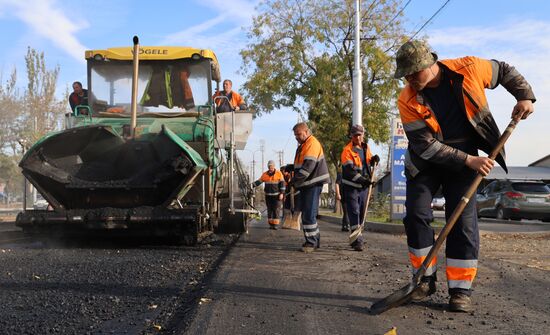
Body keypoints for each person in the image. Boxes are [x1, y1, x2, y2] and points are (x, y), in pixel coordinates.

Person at [394, 40, 535, 312]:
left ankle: (460, 290)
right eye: (406, 74)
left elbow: (503, 70)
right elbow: (425, 145)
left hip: (466, 154)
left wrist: (524, 95)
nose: (410, 78)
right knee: (415, 213)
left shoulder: (468, 68)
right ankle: (424, 280)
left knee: (462, 220)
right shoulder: (407, 98)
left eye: (414, 72)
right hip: (426, 159)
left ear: (429, 63)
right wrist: (469, 160)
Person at [290, 122, 330, 252]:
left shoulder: (311, 143)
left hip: (312, 183)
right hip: (308, 184)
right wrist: (291, 167)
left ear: (306, 132)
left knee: (308, 214)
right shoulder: (304, 145)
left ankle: (311, 243)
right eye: (295, 135)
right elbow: (302, 165)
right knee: (309, 213)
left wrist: (294, 181)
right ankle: (314, 240)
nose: (297, 137)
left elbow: (308, 167)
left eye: (298, 134)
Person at [340, 124, 379, 251]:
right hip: (352, 188)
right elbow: (350, 172)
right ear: (351, 135)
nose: (358, 137)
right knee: (354, 212)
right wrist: (364, 181)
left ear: (363, 135)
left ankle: (356, 236)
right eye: (355, 135)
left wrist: (373, 160)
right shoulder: (347, 151)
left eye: (360, 134)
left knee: (361, 213)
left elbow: (368, 163)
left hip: (363, 188)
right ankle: (357, 241)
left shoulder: (365, 147)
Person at [252, 160, 285, 229]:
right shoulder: (265, 174)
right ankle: (271, 224)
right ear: (268, 166)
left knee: (276, 210)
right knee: (269, 210)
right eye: (269, 166)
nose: (271, 167)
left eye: (272, 166)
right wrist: (252, 185)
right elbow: (259, 181)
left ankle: (275, 224)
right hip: (268, 196)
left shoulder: (279, 174)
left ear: (274, 166)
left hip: (277, 196)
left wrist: (281, 193)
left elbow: (282, 184)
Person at [334, 166, 350, 231]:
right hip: (343, 195)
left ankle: (344, 226)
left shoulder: (350, 174)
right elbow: (337, 184)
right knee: (346, 211)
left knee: (346, 211)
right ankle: (347, 225)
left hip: (349, 195)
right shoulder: (341, 174)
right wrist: (338, 194)